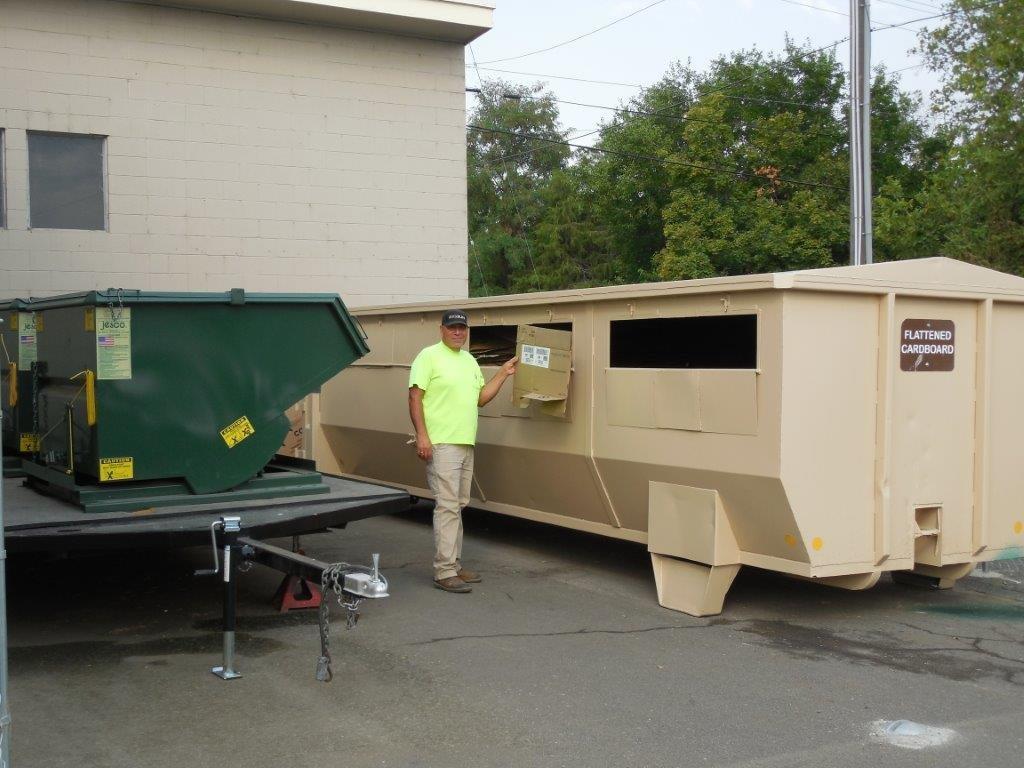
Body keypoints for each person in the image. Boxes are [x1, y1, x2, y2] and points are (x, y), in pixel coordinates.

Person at [408, 309, 517, 593]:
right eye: (452, 327)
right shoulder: (428, 356)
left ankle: (454, 565)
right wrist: (422, 436)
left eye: (462, 328)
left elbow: (480, 399)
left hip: (466, 442)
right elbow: (414, 396)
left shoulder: (470, 361)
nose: (458, 332)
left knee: (457, 505)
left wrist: (504, 373)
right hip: (441, 443)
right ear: (441, 329)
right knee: (447, 507)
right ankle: (444, 571)